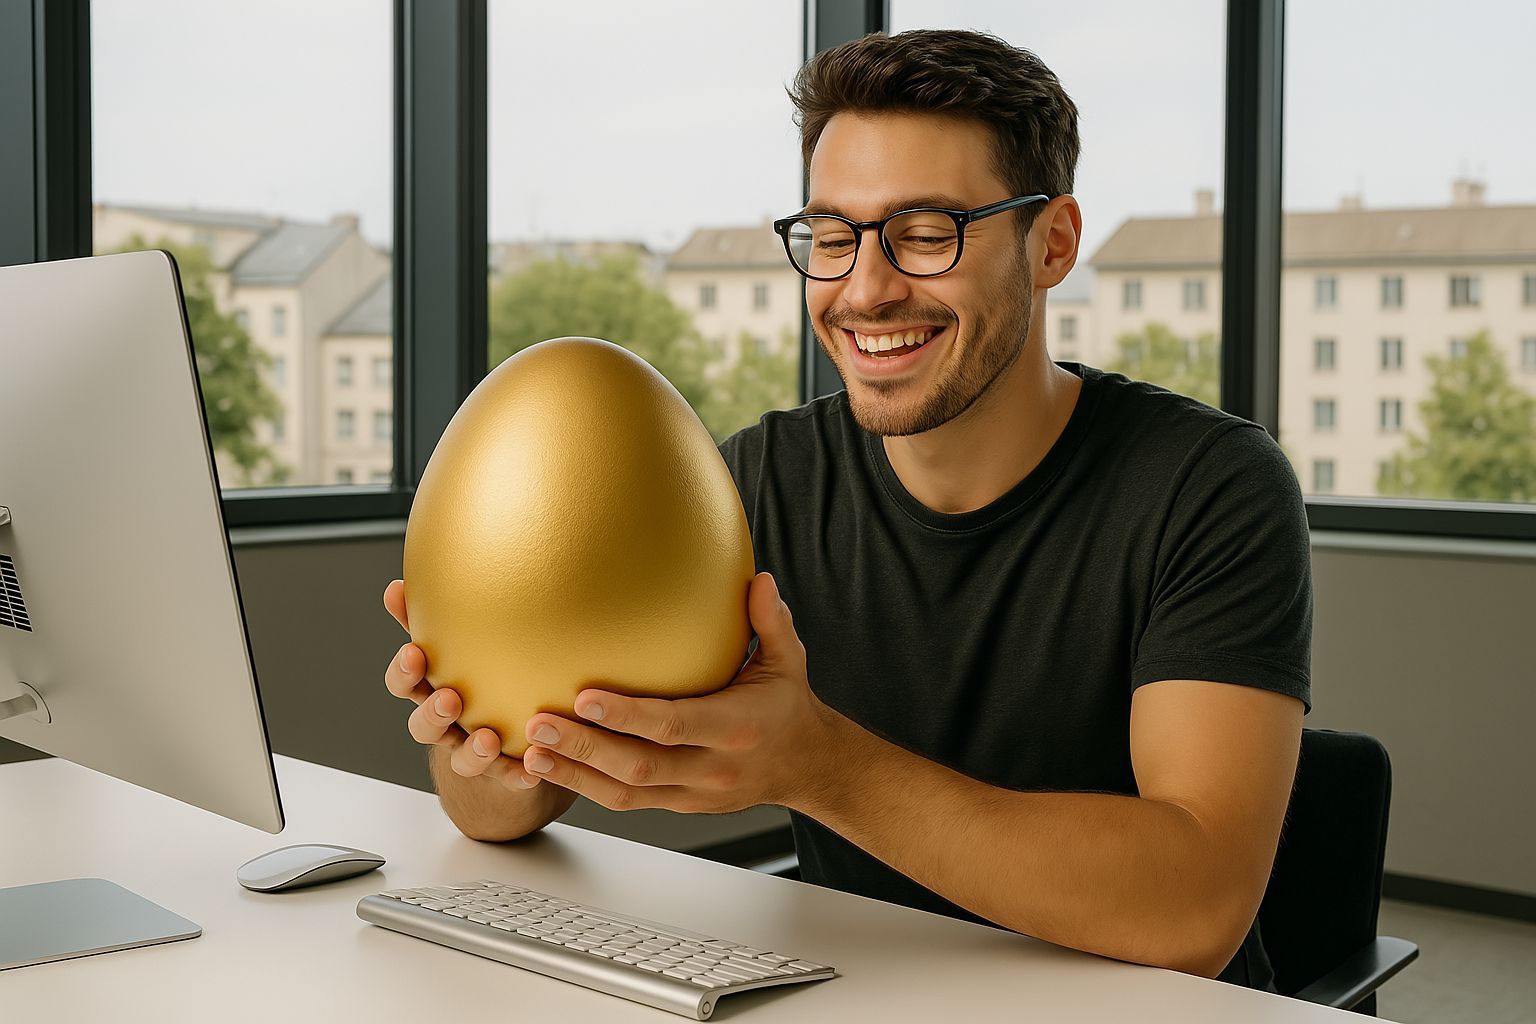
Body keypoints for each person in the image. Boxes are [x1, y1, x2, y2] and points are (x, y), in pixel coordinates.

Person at [382, 28, 1310, 989]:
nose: (865, 289)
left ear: (1053, 244)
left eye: (924, 233)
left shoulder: (1210, 486)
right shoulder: (758, 481)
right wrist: (478, 739)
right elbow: (492, 816)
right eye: (831, 238)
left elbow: (1196, 906)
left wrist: (816, 764)